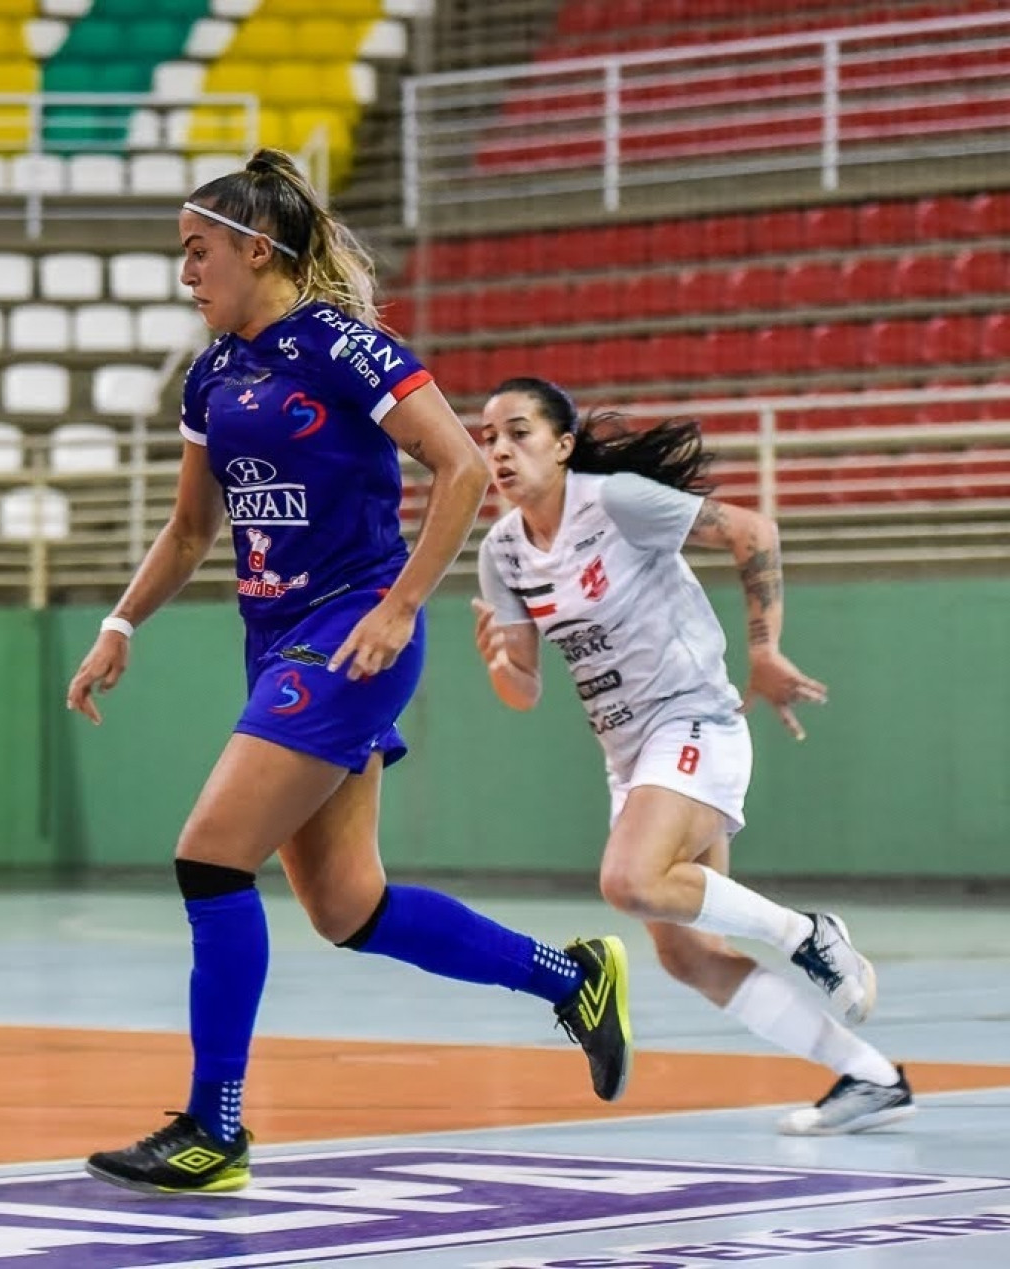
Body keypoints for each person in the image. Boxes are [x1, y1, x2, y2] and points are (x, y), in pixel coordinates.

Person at [64, 150, 634, 1198]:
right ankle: (574, 980)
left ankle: (214, 1127)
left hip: (351, 638)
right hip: (275, 642)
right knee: (345, 907)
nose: (184, 276)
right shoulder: (211, 374)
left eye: (197, 255)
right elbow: (192, 529)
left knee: (207, 858)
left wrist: (400, 603)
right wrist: (119, 623)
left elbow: (461, 467)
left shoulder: (342, 346)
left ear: (255, 249)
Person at [471, 376, 909, 1136]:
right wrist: (500, 668)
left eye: (518, 432)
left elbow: (753, 531)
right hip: (629, 756)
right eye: (488, 439)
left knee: (628, 878)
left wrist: (764, 650)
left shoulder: (612, 503)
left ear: (564, 444)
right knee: (688, 956)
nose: (500, 451)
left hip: (693, 720)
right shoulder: (501, 553)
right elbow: (524, 692)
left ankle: (806, 933)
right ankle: (871, 1076)